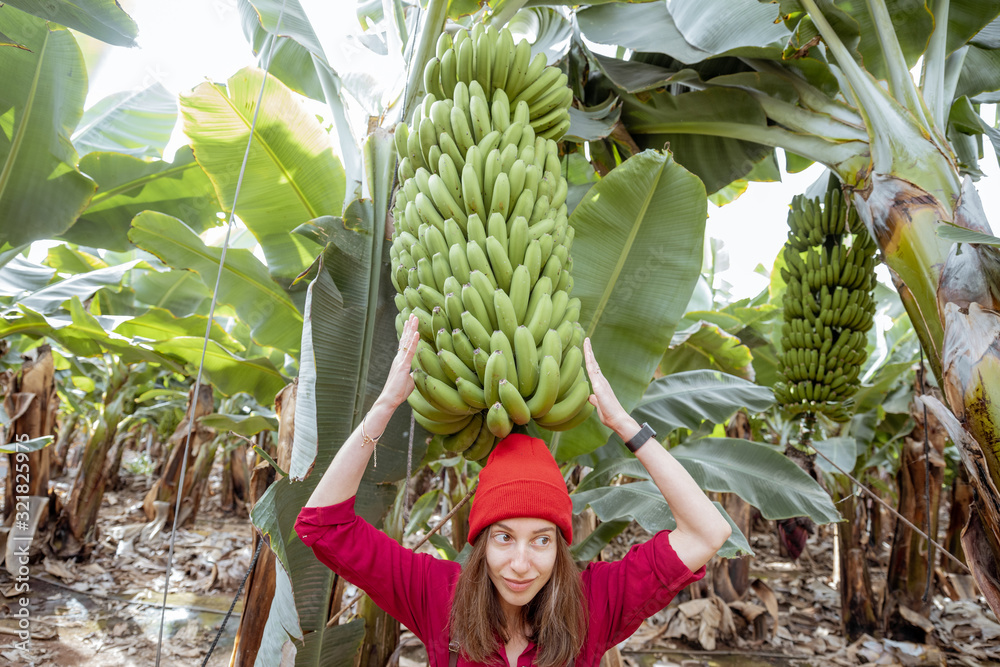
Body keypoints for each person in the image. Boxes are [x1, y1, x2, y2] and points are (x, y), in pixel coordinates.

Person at [295, 314, 732, 667]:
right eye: (504, 537)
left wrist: (626, 426)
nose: (520, 565)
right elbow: (323, 525)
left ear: (561, 545)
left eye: (541, 540)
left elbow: (706, 533)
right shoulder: (436, 595)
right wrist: (385, 405)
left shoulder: (595, 605)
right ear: (481, 541)